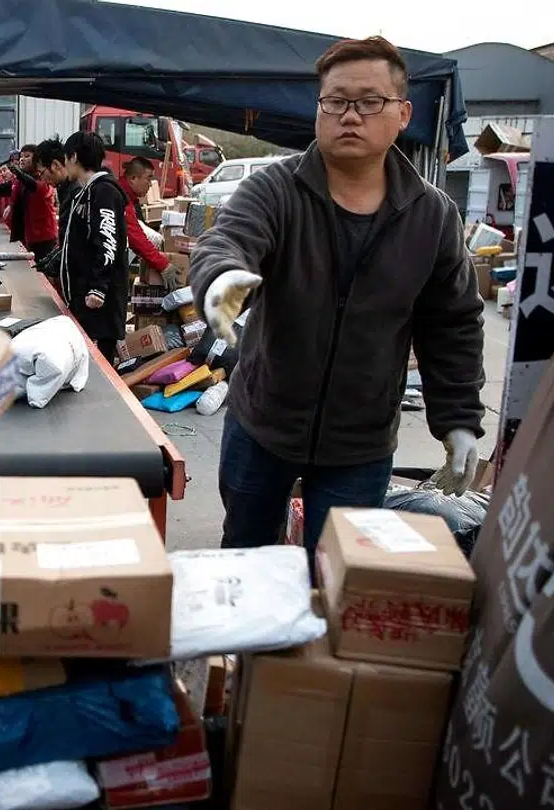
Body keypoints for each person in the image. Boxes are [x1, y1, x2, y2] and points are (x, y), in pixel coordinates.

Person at [188, 35, 485, 561]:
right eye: (336, 102)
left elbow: (453, 323)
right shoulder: (275, 190)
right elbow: (228, 240)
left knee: (336, 573)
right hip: (264, 423)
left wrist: (457, 419)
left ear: (402, 114)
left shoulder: (431, 216)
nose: (351, 115)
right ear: (320, 108)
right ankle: (249, 647)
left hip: (360, 442)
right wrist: (221, 280)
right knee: (244, 556)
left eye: (370, 102)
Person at [58, 131, 129, 362]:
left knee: (98, 367)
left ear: (74, 157)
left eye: (66, 158)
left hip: (98, 304)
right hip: (83, 298)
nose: (65, 164)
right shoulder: (86, 191)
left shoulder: (104, 191)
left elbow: (107, 241)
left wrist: (98, 288)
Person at [121, 157, 171, 277]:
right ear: (133, 178)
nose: (150, 185)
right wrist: (163, 265)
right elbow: (135, 237)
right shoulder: (121, 197)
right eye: (148, 179)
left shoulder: (127, 196)